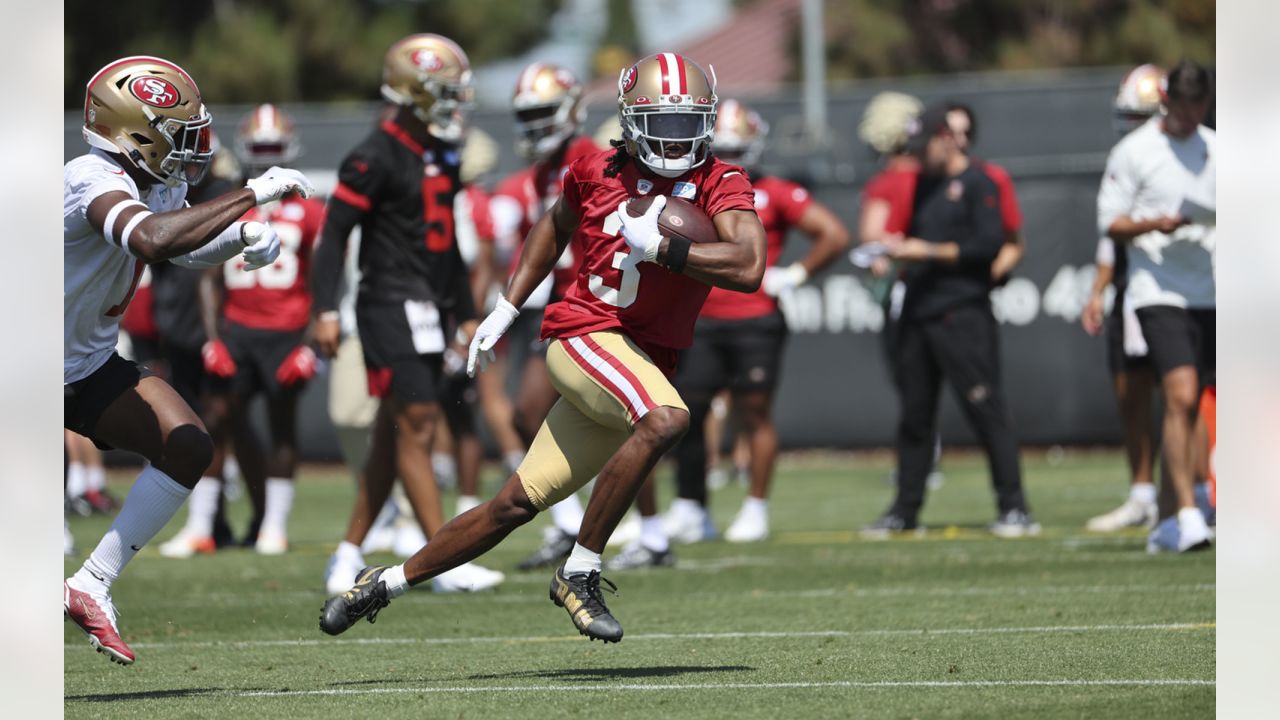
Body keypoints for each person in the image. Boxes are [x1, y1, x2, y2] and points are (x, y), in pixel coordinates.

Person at [319, 51, 766, 643]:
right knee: (666, 419)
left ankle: (384, 584)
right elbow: (553, 225)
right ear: (632, 120)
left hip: (640, 357)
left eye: (690, 122)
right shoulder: (593, 169)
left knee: (513, 505)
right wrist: (506, 307)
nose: (678, 137)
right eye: (663, 121)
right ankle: (579, 571)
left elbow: (750, 264)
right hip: (585, 334)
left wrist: (666, 250)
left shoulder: (721, 179)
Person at [64, 55, 310, 664]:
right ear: (135, 133)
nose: (196, 145)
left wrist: (240, 237)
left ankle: (90, 582)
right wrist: (252, 194)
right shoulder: (89, 176)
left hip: (82, 363)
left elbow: (180, 250)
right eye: (181, 132)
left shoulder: (155, 180)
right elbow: (151, 238)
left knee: (189, 444)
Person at [310, 34, 505, 594]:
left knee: (394, 435)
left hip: (428, 303)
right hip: (387, 305)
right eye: (444, 91)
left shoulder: (441, 151)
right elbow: (333, 237)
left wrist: (466, 314)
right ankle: (442, 560)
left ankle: (347, 554)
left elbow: (443, 250)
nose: (454, 102)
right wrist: (324, 308)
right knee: (418, 426)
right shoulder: (373, 154)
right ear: (415, 92)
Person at [655, 98, 848, 553]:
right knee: (687, 414)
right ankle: (690, 506)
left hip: (756, 319)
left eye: (738, 150)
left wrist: (795, 274)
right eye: (723, 150)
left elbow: (834, 234)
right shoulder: (693, 188)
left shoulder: (775, 191)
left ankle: (756, 507)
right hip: (700, 319)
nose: (731, 160)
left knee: (755, 413)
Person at [862, 103, 1037, 538]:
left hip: (963, 312)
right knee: (915, 416)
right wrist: (895, 248)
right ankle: (905, 511)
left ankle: (1014, 507)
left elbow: (987, 246)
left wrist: (926, 251)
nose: (918, 157)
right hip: (919, 311)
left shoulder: (979, 182)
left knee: (985, 408)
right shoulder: (922, 182)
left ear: (945, 139)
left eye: (925, 147)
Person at [169, 104, 326, 555]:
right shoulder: (234, 202)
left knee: (281, 429)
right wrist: (213, 339)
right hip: (236, 329)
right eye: (260, 149)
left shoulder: (310, 212)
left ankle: (273, 527)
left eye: (274, 149)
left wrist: (310, 345)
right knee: (214, 423)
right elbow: (209, 279)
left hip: (286, 332)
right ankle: (201, 527)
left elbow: (323, 282)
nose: (266, 157)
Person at [488, 62, 605, 571]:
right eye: (527, 115)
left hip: (599, 302)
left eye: (543, 112)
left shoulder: (593, 159)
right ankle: (568, 525)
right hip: (561, 304)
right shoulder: (538, 172)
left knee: (624, 421)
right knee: (527, 413)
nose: (535, 125)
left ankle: (646, 530)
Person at [1096, 59, 1215, 553]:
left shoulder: (1219, 149)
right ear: (1166, 102)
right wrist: (1154, 225)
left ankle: (1175, 514)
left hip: (1210, 287)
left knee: (1192, 405)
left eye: (1197, 108)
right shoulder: (1135, 151)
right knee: (1181, 394)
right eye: (1181, 108)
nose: (1189, 118)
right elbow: (1112, 224)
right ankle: (1188, 515)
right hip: (1156, 287)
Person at [1080, 64, 1166, 531]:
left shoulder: (1190, 155)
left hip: (1180, 290)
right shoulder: (1124, 161)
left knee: (1185, 395)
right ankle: (1143, 492)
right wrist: (1097, 291)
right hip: (1132, 290)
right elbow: (1108, 235)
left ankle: (1196, 491)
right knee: (1130, 393)